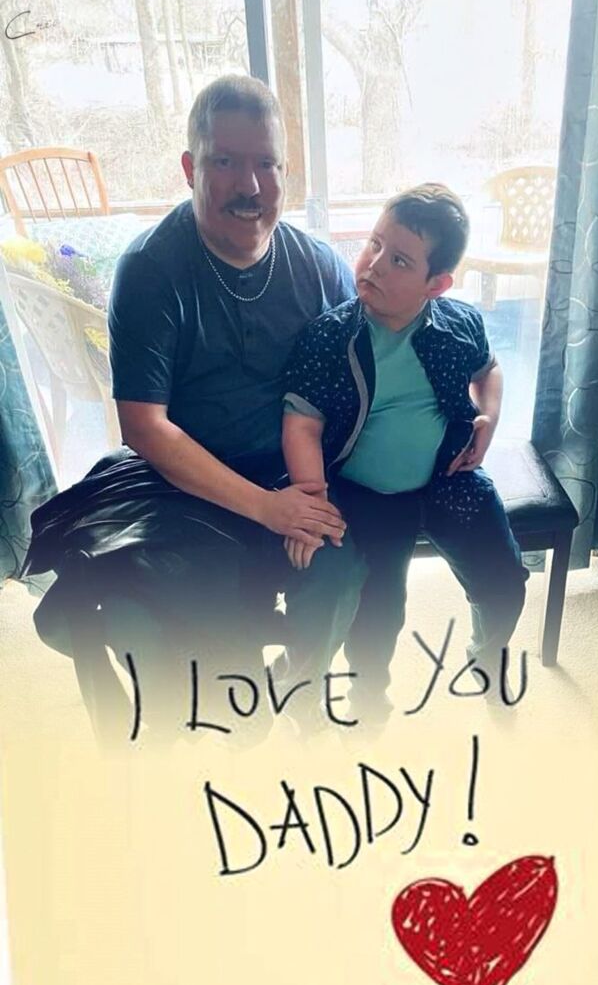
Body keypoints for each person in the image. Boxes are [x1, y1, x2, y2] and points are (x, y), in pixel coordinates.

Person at [24, 74, 363, 746]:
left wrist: (310, 495)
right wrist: (267, 510)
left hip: (290, 472)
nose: (250, 185)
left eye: (266, 163)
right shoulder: (150, 268)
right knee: (156, 624)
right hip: (178, 483)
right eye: (225, 161)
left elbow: (358, 388)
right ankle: (196, 712)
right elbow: (144, 427)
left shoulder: (321, 267)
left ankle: (291, 688)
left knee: (343, 569)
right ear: (189, 167)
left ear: (285, 170)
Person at [280, 182, 529, 728]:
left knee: (505, 579)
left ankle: (487, 656)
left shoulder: (459, 324)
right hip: (368, 496)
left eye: (399, 260)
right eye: (374, 244)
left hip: (448, 477)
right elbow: (301, 424)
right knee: (379, 611)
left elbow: (489, 368)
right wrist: (312, 502)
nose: (374, 264)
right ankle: (369, 701)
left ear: (436, 284)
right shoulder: (330, 338)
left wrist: (488, 418)